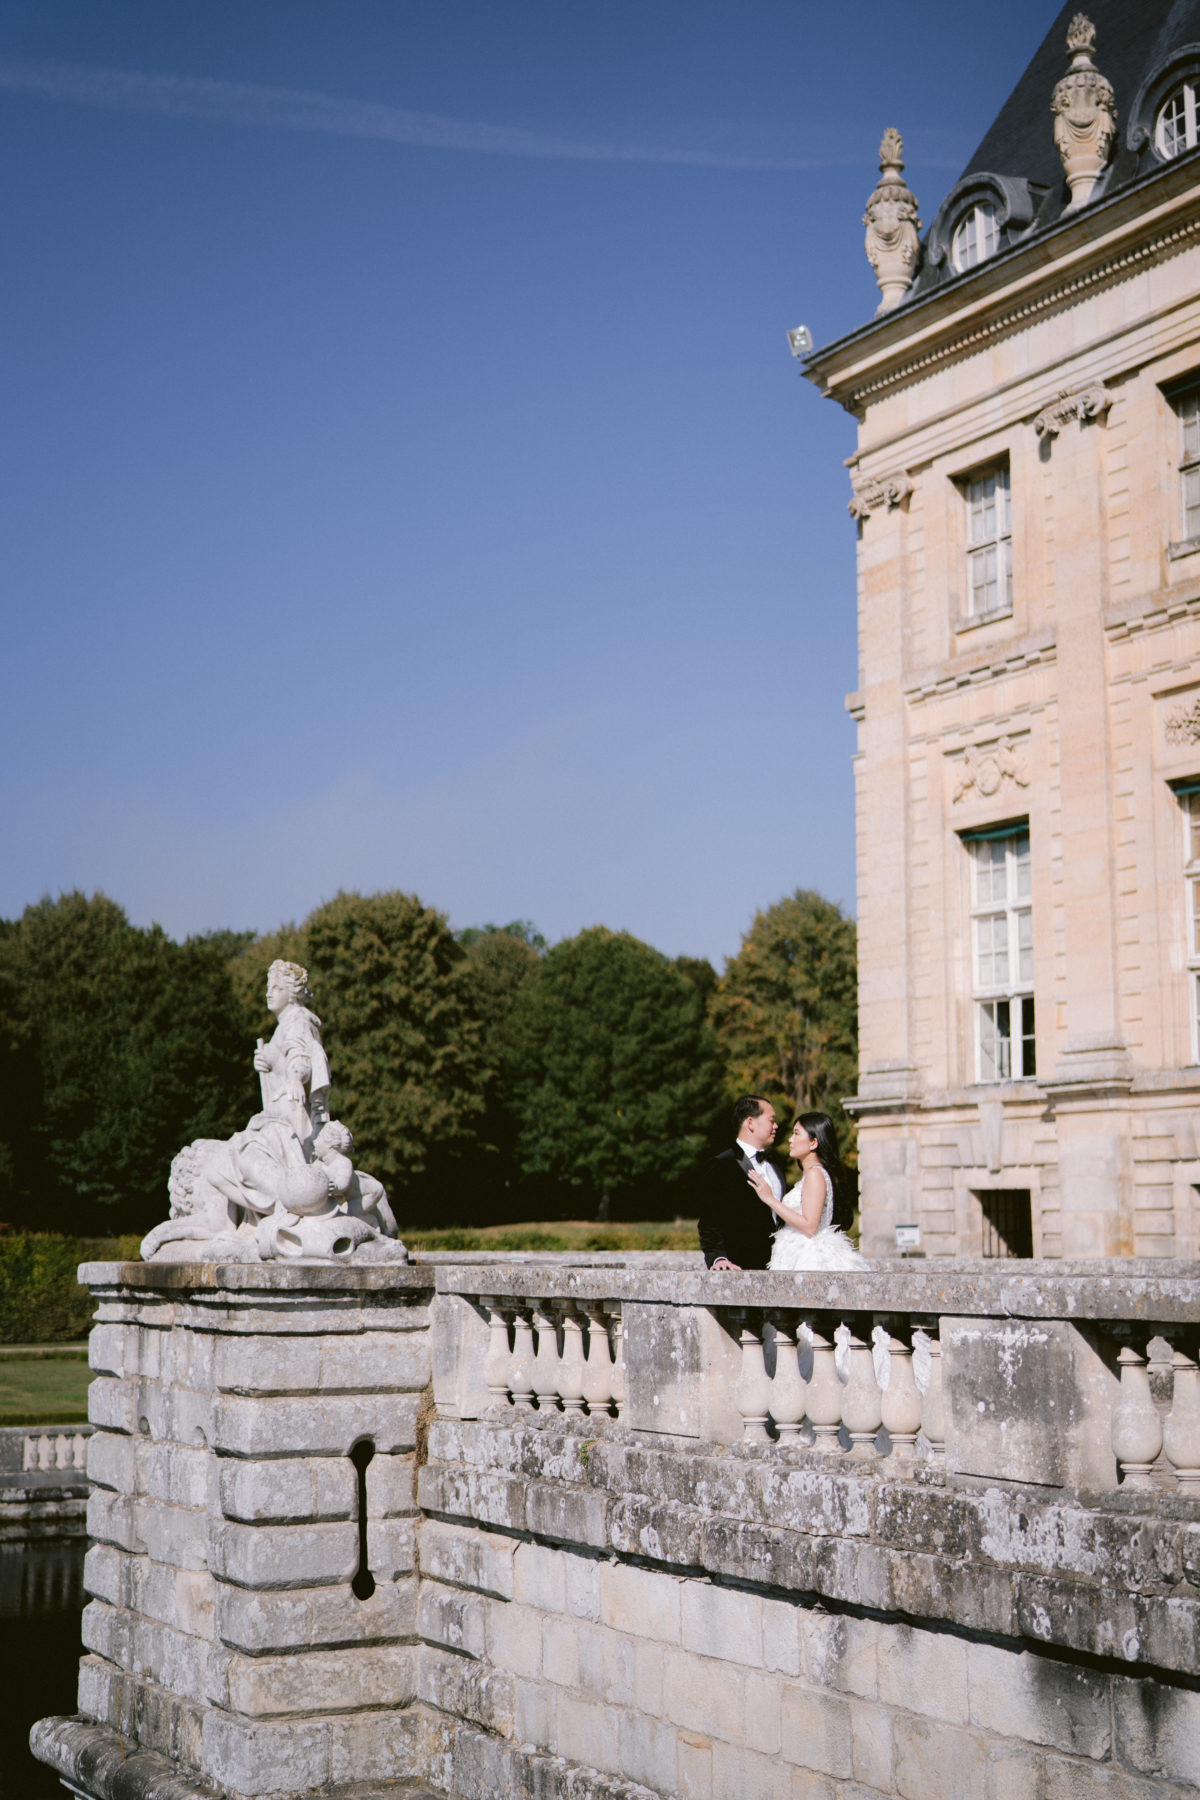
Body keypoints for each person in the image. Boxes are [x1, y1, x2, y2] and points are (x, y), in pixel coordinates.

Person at [748, 1111, 869, 1271]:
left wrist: (770, 1199)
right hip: (796, 1252)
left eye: (797, 1134)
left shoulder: (815, 1174)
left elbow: (810, 1226)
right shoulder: (813, 1174)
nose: (791, 1139)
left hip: (810, 1258)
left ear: (813, 1143)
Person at [698, 1096, 783, 1270]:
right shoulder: (721, 1164)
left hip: (782, 1264)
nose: (776, 1126)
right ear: (750, 1123)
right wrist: (718, 1258)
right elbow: (709, 1220)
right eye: (771, 1120)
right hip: (741, 1268)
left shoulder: (777, 1163)